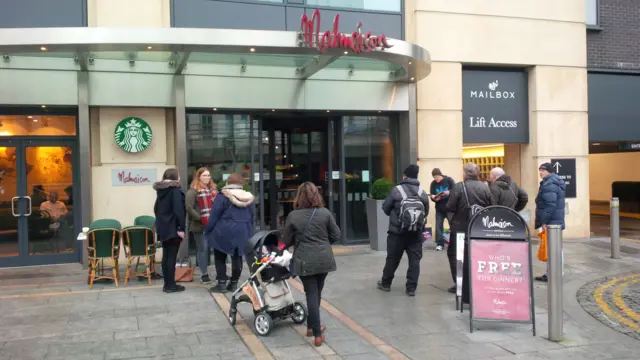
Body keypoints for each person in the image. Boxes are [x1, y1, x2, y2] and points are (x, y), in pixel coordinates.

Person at [282, 182, 340, 347]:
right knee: (316, 294)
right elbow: (336, 234)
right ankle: (311, 327)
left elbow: (285, 240)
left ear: (299, 197)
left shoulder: (293, 216)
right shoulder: (325, 213)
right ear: (316, 195)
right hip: (324, 259)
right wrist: (323, 243)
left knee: (311, 295)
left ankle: (316, 333)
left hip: (305, 260)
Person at [377, 164, 429, 297]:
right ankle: (411, 288)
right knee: (415, 260)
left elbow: (386, 209)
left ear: (404, 176)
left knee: (392, 259)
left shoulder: (396, 190)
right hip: (416, 233)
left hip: (397, 232)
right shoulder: (422, 192)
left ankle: (386, 284)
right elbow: (426, 212)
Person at [445, 162, 492, 300]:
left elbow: (450, 205)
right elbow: (490, 205)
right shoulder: (485, 187)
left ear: (465, 173)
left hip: (460, 226)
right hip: (479, 226)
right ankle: (476, 281)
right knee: (477, 254)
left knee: (455, 254)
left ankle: (459, 282)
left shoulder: (459, 186)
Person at [205, 173, 255, 293]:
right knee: (237, 256)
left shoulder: (222, 196)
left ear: (227, 183)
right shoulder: (249, 198)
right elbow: (252, 217)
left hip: (224, 230)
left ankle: (221, 284)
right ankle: (234, 283)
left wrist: (208, 229)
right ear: (241, 184)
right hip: (243, 229)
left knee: (220, 255)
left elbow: (214, 215)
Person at [153, 168, 186, 293]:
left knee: (166, 257)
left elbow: (156, 208)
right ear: (175, 177)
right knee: (171, 257)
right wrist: (181, 228)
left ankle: (167, 283)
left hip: (163, 227)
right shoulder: (175, 190)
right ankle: (171, 285)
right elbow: (179, 211)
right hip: (173, 228)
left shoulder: (161, 191)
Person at [534, 162, 566, 282]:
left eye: (543, 170)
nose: (541, 172)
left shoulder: (549, 184)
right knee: (555, 247)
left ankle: (554, 273)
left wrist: (544, 222)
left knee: (554, 248)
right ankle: (553, 272)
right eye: (540, 170)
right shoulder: (552, 182)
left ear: (549, 171)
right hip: (555, 220)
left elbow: (550, 205)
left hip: (552, 222)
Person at [185, 167, 218, 284]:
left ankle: (220, 273)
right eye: (204, 175)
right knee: (203, 249)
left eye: (208, 175)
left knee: (216, 249)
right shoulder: (193, 191)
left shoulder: (213, 190)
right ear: (198, 177)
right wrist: (200, 218)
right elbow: (189, 208)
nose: (207, 178)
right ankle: (204, 274)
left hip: (213, 225)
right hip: (200, 226)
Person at [429, 168, 455, 251]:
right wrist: (434, 198)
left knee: (453, 225)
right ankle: (440, 244)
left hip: (450, 207)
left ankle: (454, 243)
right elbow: (432, 195)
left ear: (441, 175)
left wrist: (449, 192)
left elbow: (455, 191)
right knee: (438, 226)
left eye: (437, 177)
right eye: (434, 177)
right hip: (439, 208)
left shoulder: (449, 180)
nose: (436, 179)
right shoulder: (433, 184)